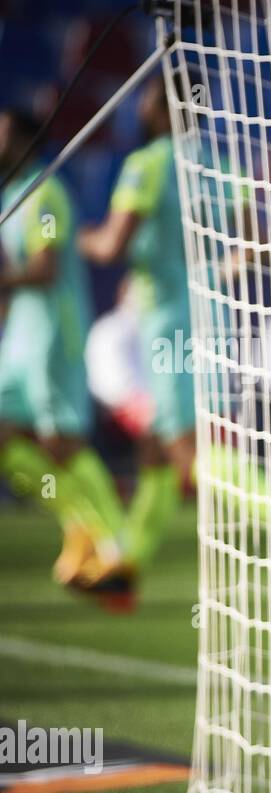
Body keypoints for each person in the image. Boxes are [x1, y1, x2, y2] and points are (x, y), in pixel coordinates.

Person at [0, 108, 128, 608]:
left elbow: (46, 268)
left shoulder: (46, 196)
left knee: (64, 445)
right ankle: (79, 523)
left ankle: (117, 547)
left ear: (27, 141)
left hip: (54, 337)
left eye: (4, 135)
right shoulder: (14, 197)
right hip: (21, 340)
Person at [78, 72, 194, 594]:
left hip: (165, 318)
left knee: (179, 444)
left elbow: (111, 248)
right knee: (157, 450)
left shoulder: (146, 165)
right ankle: (125, 564)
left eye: (151, 95)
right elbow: (250, 246)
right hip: (212, 318)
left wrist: (71, 239)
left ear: (164, 108)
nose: (143, 103)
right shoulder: (224, 163)